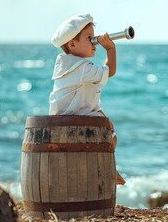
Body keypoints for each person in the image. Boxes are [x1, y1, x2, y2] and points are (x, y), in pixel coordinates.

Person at [49, 13, 125, 185]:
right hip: (76, 121)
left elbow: (87, 98)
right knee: (112, 139)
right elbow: (109, 71)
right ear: (72, 44)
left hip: (66, 118)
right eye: (89, 38)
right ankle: (108, 169)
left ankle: (106, 168)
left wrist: (103, 116)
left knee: (109, 131)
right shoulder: (82, 67)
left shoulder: (66, 64)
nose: (94, 42)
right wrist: (110, 49)